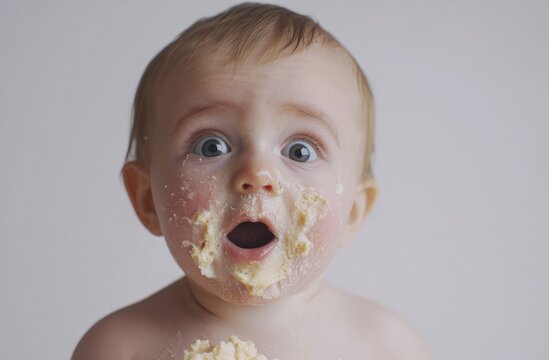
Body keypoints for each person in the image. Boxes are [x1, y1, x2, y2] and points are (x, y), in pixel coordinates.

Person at [72, 3, 430, 359]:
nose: (257, 174)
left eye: (300, 151)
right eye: (211, 146)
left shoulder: (387, 347)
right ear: (148, 198)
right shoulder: (118, 348)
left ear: (352, 210)